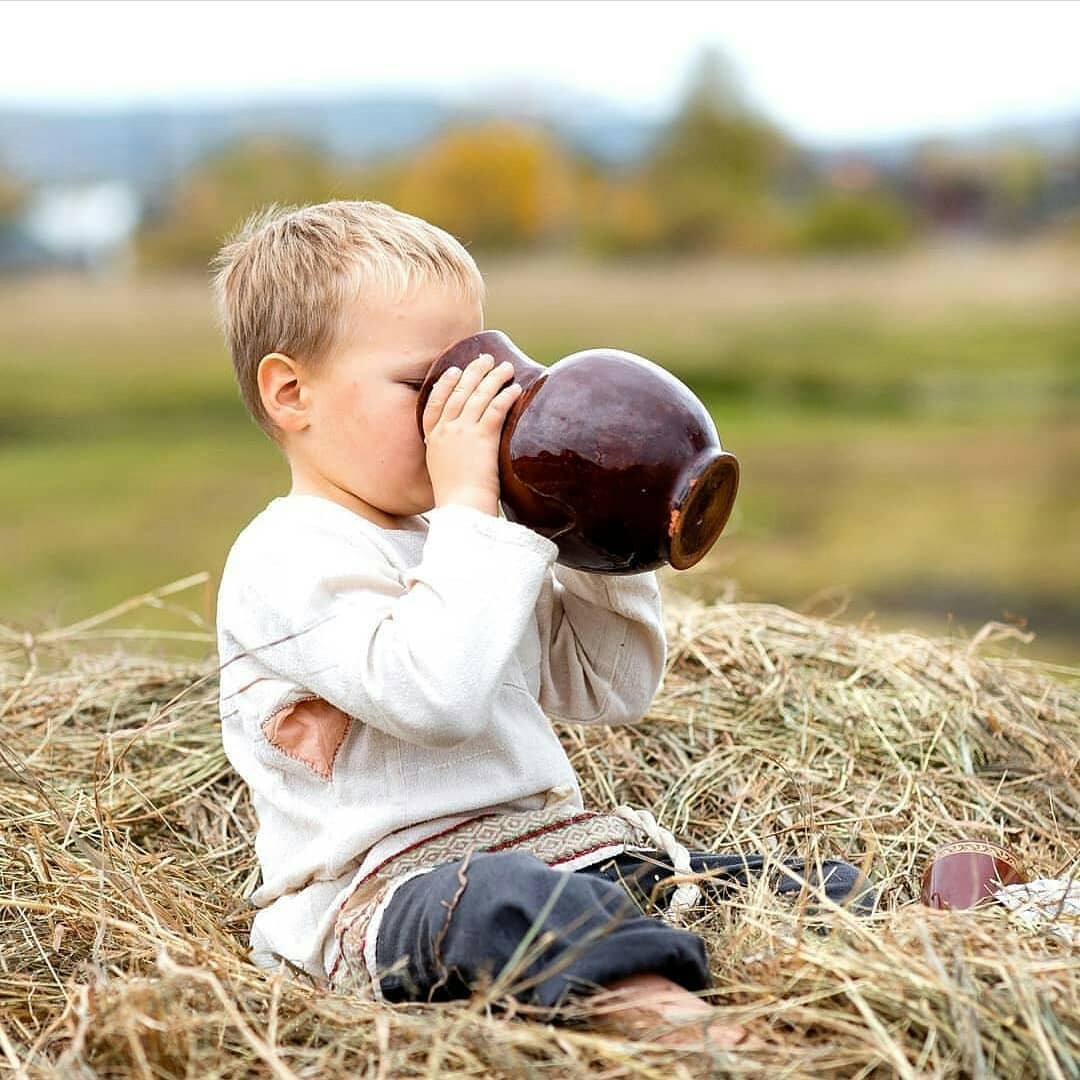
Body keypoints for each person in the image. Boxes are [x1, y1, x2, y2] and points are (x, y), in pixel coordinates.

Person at [211, 200, 872, 1047]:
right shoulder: (288, 556)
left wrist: (597, 521)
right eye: (427, 385)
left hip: (559, 851)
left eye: (478, 371)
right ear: (292, 392)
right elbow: (432, 695)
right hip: (394, 902)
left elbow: (611, 686)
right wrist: (474, 515)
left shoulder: (463, 538)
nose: (468, 413)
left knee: (782, 884)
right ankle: (681, 1028)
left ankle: (977, 923)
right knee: (517, 907)